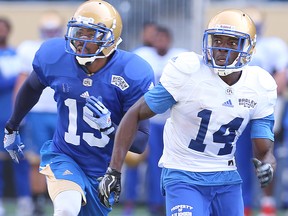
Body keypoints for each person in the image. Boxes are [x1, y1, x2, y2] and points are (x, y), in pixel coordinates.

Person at [98, 9, 277, 216]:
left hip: (226, 177)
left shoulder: (260, 84)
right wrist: (114, 170)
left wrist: (268, 166)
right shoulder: (189, 70)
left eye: (231, 42)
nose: (221, 48)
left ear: (249, 47)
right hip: (183, 174)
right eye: (217, 41)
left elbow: (264, 151)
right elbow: (135, 113)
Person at [3, 0, 154, 215]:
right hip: (64, 155)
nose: (81, 40)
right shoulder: (56, 57)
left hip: (103, 169)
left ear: (110, 39)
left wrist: (110, 127)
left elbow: (140, 142)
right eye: (79, 32)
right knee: (66, 209)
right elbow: (31, 87)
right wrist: (12, 126)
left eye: (91, 34)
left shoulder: (131, 72)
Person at [235, 7, 288, 216]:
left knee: (264, 152)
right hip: (237, 108)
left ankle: (267, 203)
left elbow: (282, 78)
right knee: (237, 157)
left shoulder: (273, 46)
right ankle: (244, 205)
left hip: (262, 108)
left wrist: (261, 96)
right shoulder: (236, 45)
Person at [13, 11, 64, 216]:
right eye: (48, 30)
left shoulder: (68, 49)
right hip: (37, 112)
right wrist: (19, 113)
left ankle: (60, 199)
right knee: (36, 160)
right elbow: (23, 81)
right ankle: (37, 201)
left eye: (54, 30)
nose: (51, 34)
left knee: (63, 159)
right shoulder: (30, 49)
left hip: (62, 111)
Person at [0, 17, 33, 216]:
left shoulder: (16, 54)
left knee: (20, 159)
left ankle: (25, 201)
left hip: (16, 117)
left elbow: (28, 80)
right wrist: (19, 78)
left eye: (3, 28)